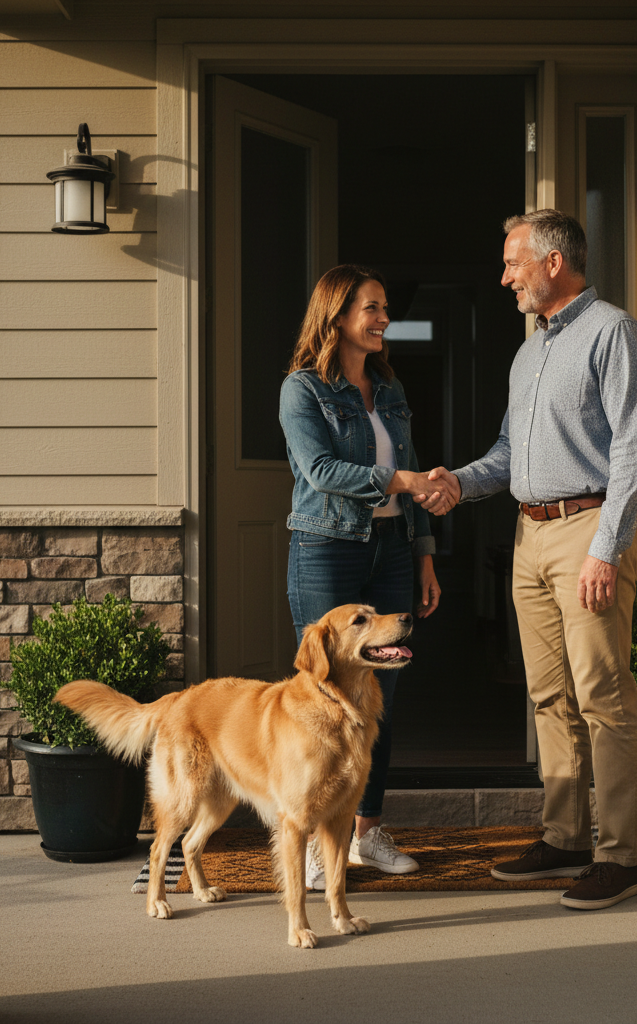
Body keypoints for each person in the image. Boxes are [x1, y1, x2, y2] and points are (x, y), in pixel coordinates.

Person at [419, 210, 637, 909]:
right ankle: (566, 837)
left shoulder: (613, 333)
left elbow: (634, 451)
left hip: (588, 531)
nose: (505, 278)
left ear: (554, 263)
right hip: (528, 536)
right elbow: (507, 455)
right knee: (549, 696)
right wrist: (458, 482)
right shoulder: (528, 355)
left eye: (513, 263)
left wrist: (606, 549)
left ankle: (620, 857)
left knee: (604, 697)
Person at [279, 264, 455, 890]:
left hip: (393, 549)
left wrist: (425, 554)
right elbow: (321, 470)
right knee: (319, 698)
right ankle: (308, 837)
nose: (384, 319)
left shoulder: (389, 387)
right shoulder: (303, 390)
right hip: (328, 548)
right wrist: (402, 480)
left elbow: (411, 469)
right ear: (337, 316)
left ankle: (366, 834)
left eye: (384, 308)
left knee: (381, 697)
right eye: (372, 308)